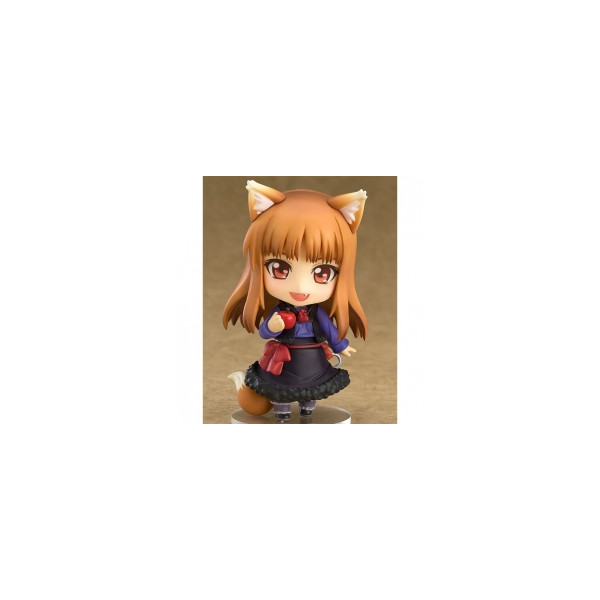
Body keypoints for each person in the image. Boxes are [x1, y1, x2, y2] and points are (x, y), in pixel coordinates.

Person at [223, 180, 368, 420]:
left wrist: (340, 345)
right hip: (285, 359)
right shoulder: (280, 310)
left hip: (312, 358)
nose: (300, 287)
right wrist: (273, 326)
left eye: (322, 273)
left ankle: (307, 409)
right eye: (280, 269)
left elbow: (329, 329)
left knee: (311, 389)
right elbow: (264, 332)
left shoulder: (316, 312)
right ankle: (282, 412)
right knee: (281, 389)